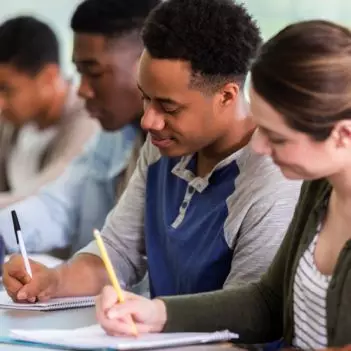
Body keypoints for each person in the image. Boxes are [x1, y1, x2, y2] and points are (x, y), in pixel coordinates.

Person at [3, 0, 301, 303]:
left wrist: (157, 318)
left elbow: (247, 317)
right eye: (145, 98)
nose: (149, 120)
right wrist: (54, 280)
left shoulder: (272, 178)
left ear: (226, 95)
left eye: (168, 106)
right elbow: (118, 252)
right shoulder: (163, 146)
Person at [93, 20, 351, 349]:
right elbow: (268, 301)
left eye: (277, 137)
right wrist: (157, 313)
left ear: (343, 135)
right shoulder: (319, 187)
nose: (257, 147)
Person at [0, 0, 159, 256]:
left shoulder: (177, 147)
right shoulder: (113, 136)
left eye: (94, 73)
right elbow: (59, 204)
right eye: (79, 72)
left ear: (146, 63)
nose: (82, 89)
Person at [0, 16, 98, 207]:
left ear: (48, 77)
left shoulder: (89, 120)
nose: (1, 103)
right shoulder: (12, 120)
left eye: (6, 89)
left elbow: (49, 194)